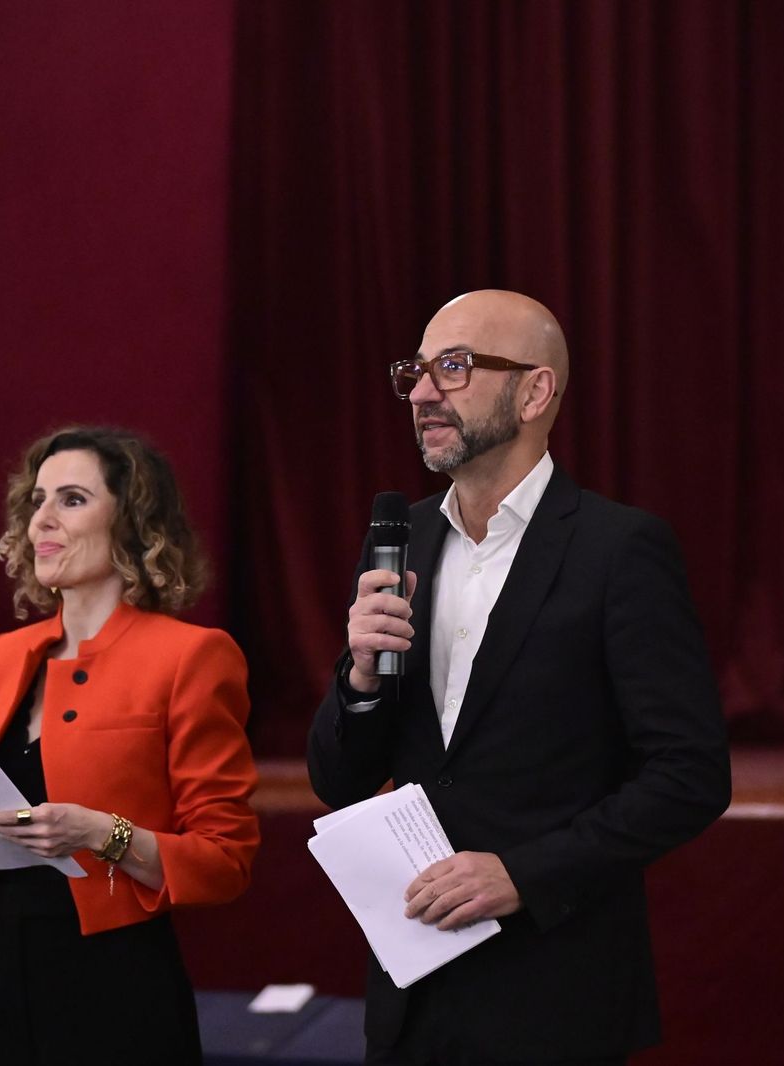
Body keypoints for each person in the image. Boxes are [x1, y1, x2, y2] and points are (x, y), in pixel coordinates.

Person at [308, 291, 731, 1065]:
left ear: (535, 392)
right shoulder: (402, 546)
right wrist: (361, 679)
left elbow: (691, 774)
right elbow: (338, 780)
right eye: (416, 371)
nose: (424, 392)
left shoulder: (617, 550)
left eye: (455, 367)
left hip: (553, 998)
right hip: (412, 1004)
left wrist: (523, 875)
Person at [0, 426, 259, 1065]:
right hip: (2, 978)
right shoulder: (4, 657)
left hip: (117, 987)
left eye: (71, 499)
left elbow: (225, 860)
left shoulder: (191, 657)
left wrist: (102, 833)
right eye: (37, 499)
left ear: (132, 521)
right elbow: (4, 843)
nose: (41, 518)